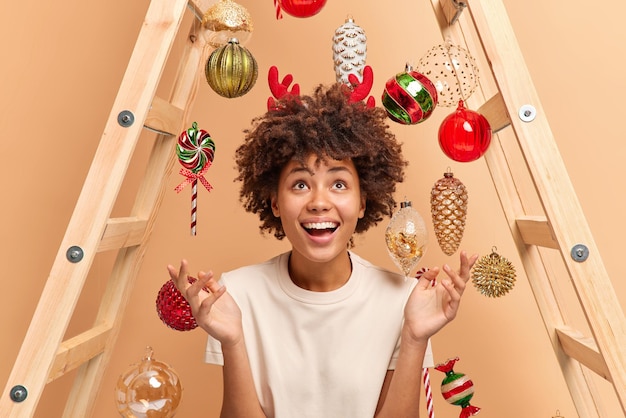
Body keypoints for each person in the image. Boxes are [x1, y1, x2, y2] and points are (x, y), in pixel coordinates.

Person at [168, 82, 478, 418]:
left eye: (339, 184)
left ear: (363, 202)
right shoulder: (236, 295)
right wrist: (232, 341)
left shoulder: (405, 301)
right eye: (300, 184)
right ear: (274, 201)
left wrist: (415, 337)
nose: (318, 202)